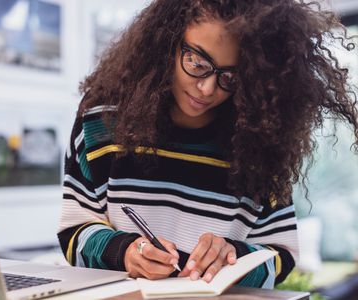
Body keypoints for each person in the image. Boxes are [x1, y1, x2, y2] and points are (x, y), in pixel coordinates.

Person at [58, 0, 358, 288]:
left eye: (231, 77)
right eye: (197, 62)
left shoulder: (261, 145)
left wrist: (233, 256)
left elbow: (281, 256)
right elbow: (74, 231)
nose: (207, 88)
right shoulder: (102, 122)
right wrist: (124, 252)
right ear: (167, 41)